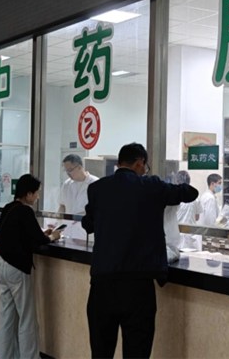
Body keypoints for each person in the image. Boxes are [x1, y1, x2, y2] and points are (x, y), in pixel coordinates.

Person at [82, 143, 198, 358]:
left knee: (101, 351)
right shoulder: (151, 186)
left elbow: (87, 224)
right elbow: (190, 193)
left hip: (102, 285)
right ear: (139, 163)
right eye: (145, 167)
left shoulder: (98, 188)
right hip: (137, 287)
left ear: (120, 163)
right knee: (137, 351)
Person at [0, 174, 62, 359]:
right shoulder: (25, 211)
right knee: (26, 319)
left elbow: (23, 233)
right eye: (36, 193)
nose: (38, 197)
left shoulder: (9, 207)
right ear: (28, 194)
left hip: (2, 265)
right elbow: (39, 239)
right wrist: (52, 236)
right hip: (17, 268)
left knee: (6, 318)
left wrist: (42, 234)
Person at [57, 154, 98, 239]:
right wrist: (58, 224)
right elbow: (62, 205)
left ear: (79, 167)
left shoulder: (95, 183)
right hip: (68, 230)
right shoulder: (66, 184)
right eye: (66, 171)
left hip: (85, 233)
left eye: (70, 170)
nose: (68, 174)